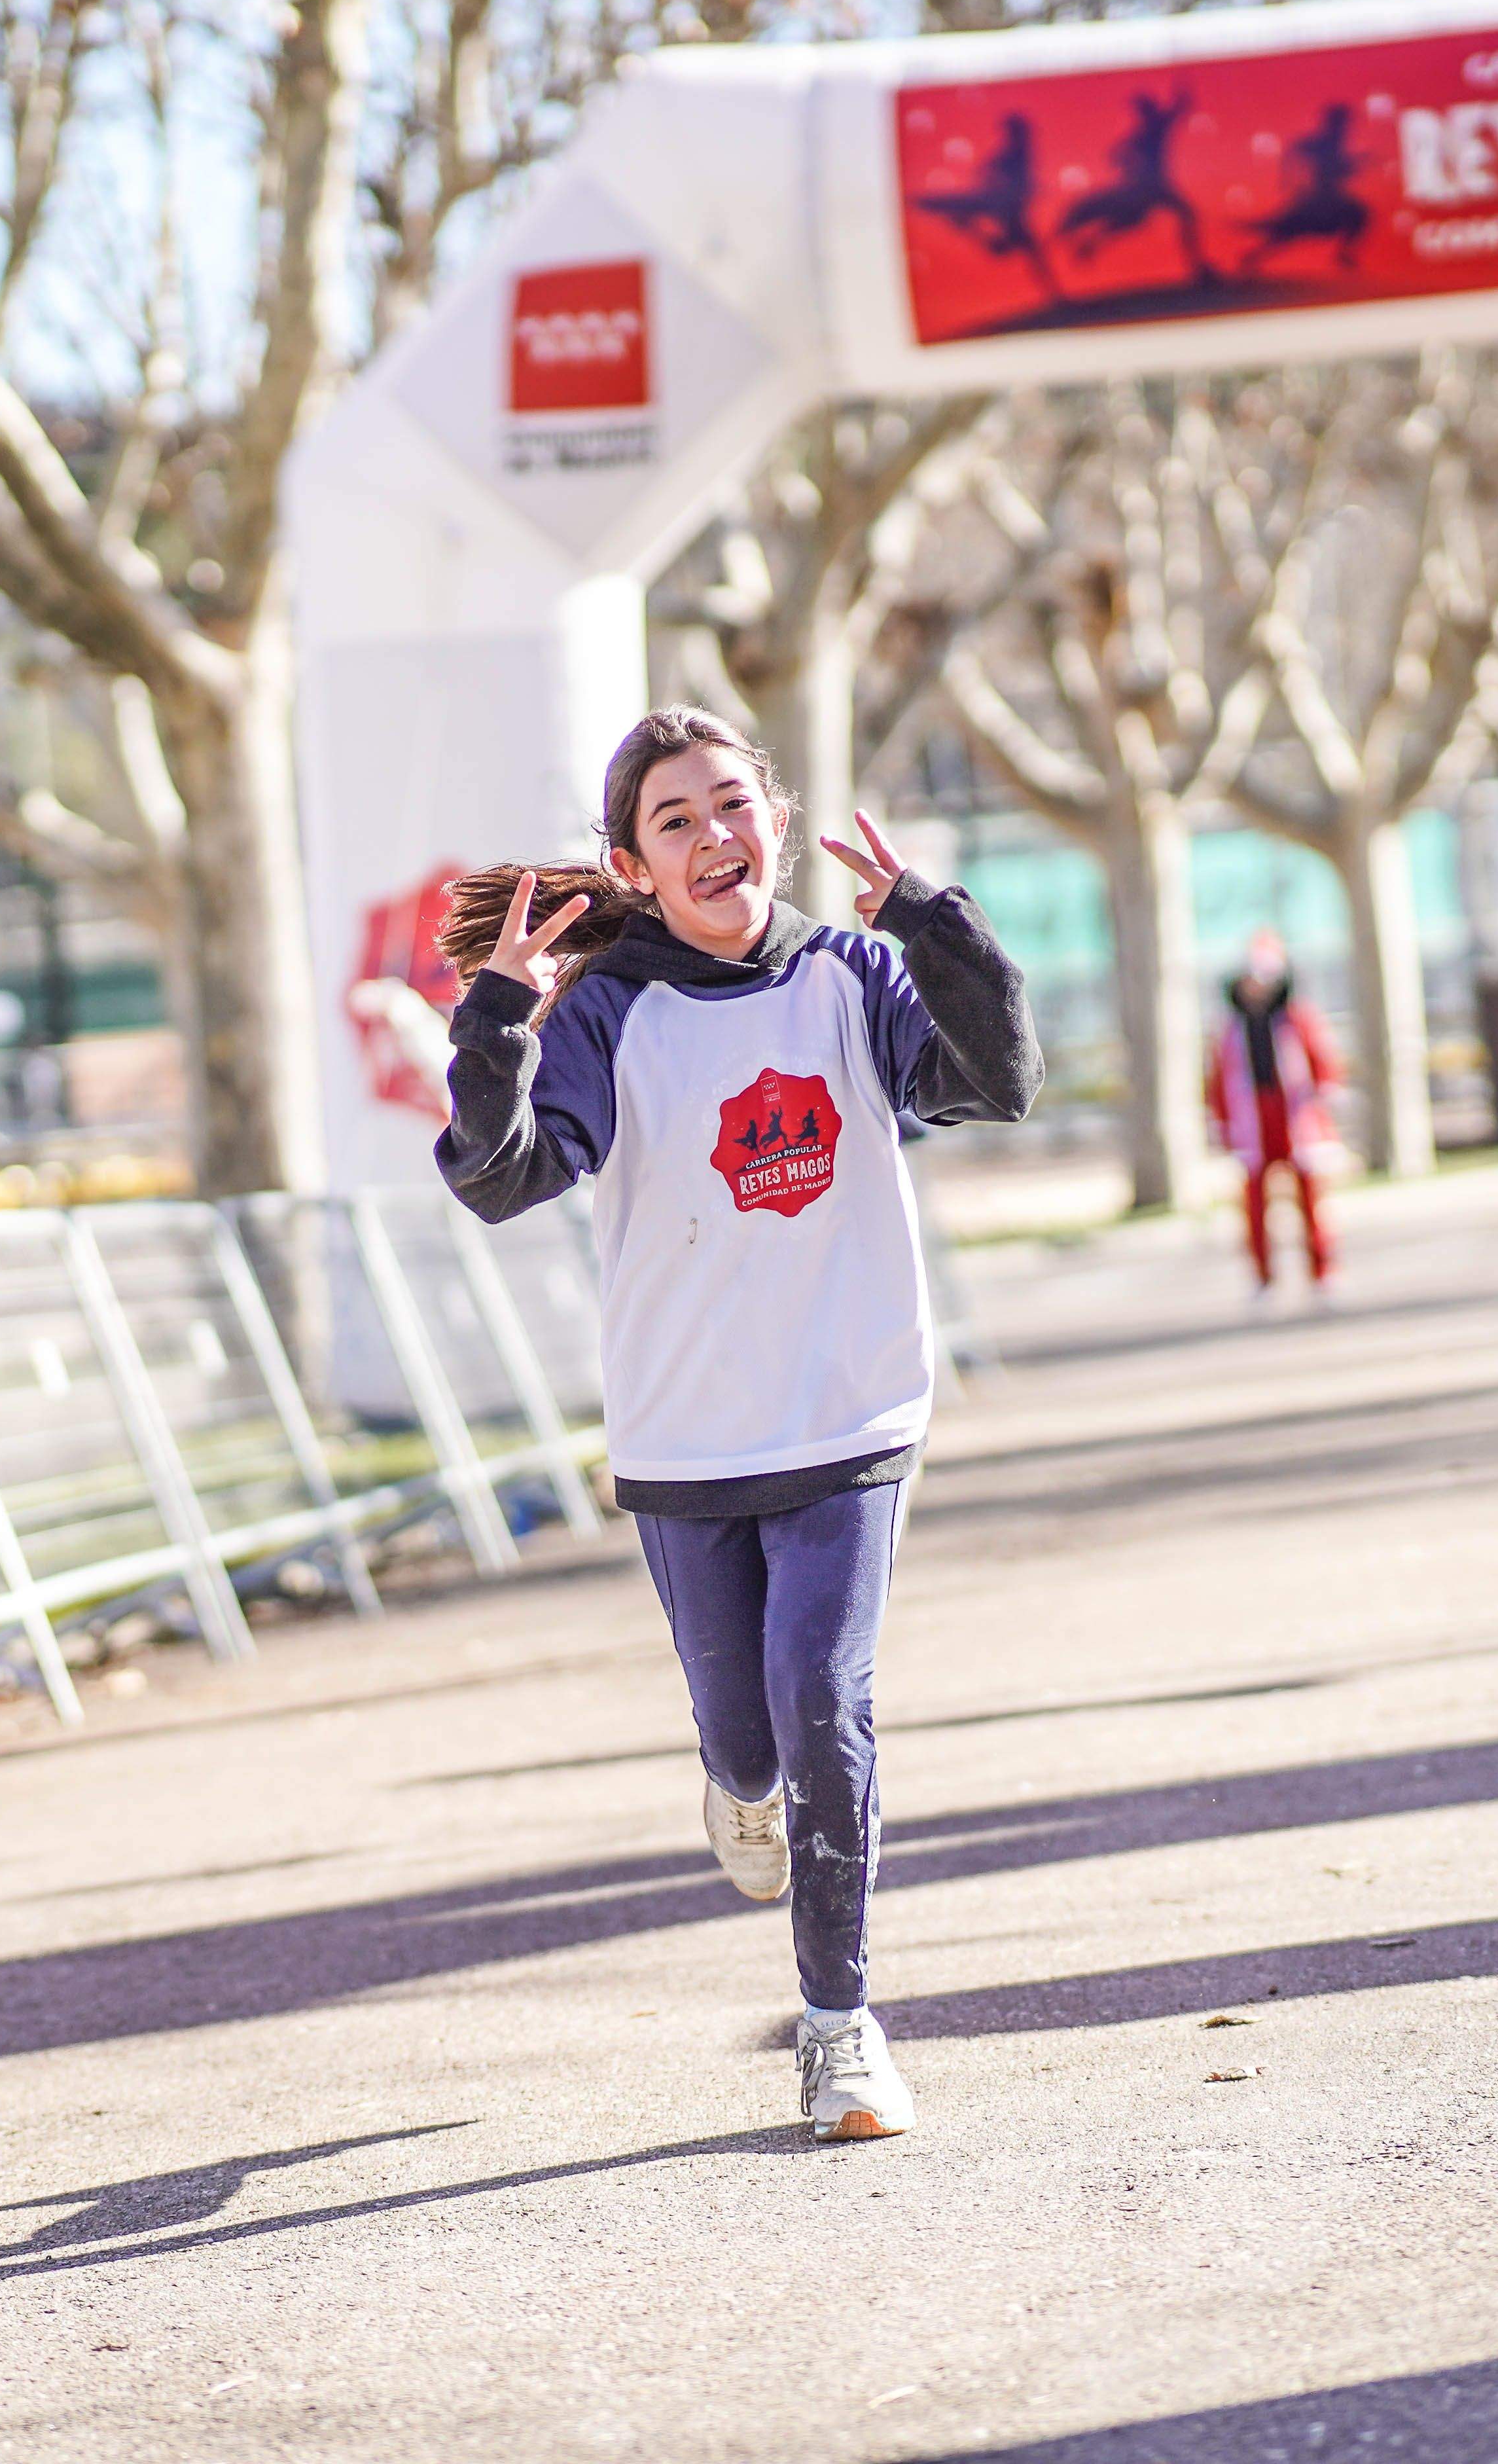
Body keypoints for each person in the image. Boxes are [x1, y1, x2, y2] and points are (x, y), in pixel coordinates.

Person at [433, 706, 1041, 2141]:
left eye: (732, 805)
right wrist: (499, 1020)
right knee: (749, 1738)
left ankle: (840, 2030)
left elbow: (996, 1080)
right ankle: (737, 1781)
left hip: (849, 1412)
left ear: (775, 816)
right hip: (687, 1437)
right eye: (676, 822)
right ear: (634, 865)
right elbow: (500, 1178)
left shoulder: (853, 972)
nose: (715, 838)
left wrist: (937, 926)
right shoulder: (609, 1009)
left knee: (825, 1703)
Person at [1207, 941, 1344, 1301]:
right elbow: (1219, 1079)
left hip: (1294, 1115)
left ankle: (1322, 1271)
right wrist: (1222, 1123)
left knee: (1311, 1198)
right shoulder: (1230, 1029)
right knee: (1254, 1203)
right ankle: (1263, 1277)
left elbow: (1322, 1063)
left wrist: (1324, 1102)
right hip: (1251, 1119)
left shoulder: (1297, 1019)